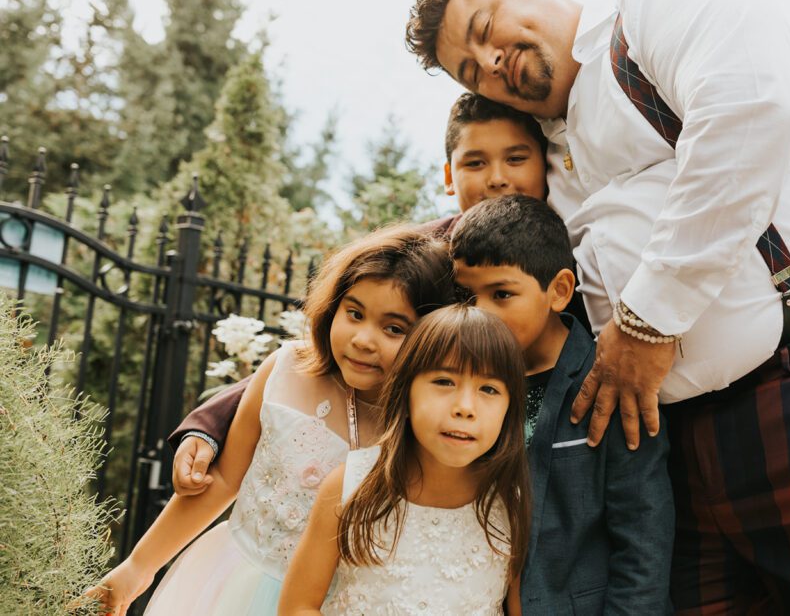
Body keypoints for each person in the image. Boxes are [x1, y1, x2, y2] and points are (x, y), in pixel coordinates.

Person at [406, 0, 790, 614]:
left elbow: (755, 110)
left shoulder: (659, 7)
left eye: (485, 27)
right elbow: (478, 244)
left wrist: (648, 322)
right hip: (678, 441)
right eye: (471, 70)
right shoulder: (544, 150)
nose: (490, 60)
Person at [166, 92, 589, 498]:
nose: (498, 177)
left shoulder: (569, 252)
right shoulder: (425, 255)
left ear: (547, 163)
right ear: (449, 176)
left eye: (516, 158)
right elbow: (317, 356)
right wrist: (211, 423)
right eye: (476, 162)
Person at [84, 226, 456, 615]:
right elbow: (225, 479)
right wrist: (137, 568)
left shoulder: (426, 425)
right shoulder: (286, 369)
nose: (364, 339)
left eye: (394, 328)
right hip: (233, 585)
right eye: (355, 313)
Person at [451, 195, 673, 614]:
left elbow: (643, 538)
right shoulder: (456, 384)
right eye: (465, 296)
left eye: (501, 293)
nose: (480, 313)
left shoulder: (608, 381)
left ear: (559, 291)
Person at [278, 305, 530, 615]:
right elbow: (299, 605)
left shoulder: (512, 503)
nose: (465, 407)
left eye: (489, 389)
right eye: (444, 382)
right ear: (405, 393)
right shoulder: (350, 485)